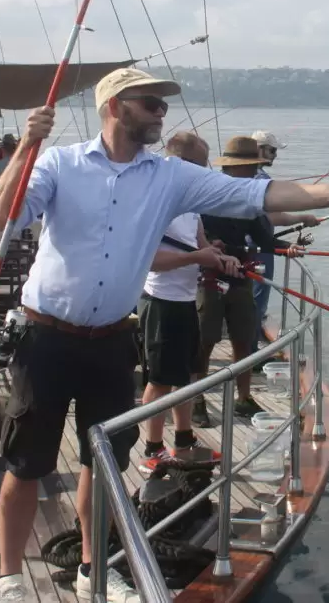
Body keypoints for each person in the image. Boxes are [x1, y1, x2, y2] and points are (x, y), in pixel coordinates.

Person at [0, 67, 329, 603]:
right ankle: (10, 581)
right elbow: (3, 217)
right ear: (115, 107)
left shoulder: (169, 177)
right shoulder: (59, 164)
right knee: (26, 464)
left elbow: (258, 194)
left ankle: (93, 567)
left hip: (112, 341)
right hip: (45, 339)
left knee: (104, 463)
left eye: (163, 105)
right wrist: (26, 144)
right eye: (151, 103)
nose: (162, 112)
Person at [136, 131, 239, 471]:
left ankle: (183, 440)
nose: (204, 173)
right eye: (200, 166)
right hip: (161, 302)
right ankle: (153, 449)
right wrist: (197, 256)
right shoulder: (158, 203)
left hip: (184, 301)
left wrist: (217, 255)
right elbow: (150, 259)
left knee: (186, 376)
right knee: (160, 380)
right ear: (181, 164)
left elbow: (201, 242)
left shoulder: (191, 205)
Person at [193, 136, 301, 424]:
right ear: (233, 168)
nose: (255, 172)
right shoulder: (206, 195)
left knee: (243, 338)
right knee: (204, 341)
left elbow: (264, 238)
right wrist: (226, 251)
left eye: (255, 166)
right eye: (250, 166)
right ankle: (196, 400)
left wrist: (285, 249)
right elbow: (204, 239)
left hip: (241, 277)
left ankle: (243, 398)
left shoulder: (248, 201)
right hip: (208, 278)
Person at [249, 130, 317, 346]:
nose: (275, 155)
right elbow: (274, 216)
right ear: (258, 148)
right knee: (256, 302)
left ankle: (244, 348)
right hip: (259, 252)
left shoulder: (241, 175)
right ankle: (248, 355)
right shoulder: (261, 179)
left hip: (247, 247)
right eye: (272, 150)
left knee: (247, 301)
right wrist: (303, 217)